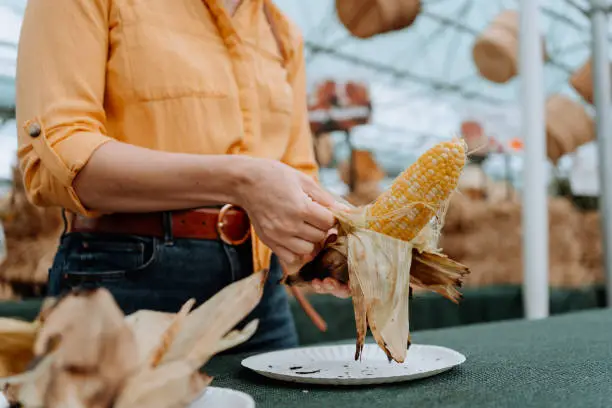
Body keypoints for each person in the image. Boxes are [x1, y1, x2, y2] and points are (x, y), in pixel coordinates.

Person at [15, 0, 349, 353]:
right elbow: (55, 161)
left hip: (258, 292)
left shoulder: (282, 33)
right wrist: (241, 180)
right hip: (123, 275)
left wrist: (330, 241)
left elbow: (300, 173)